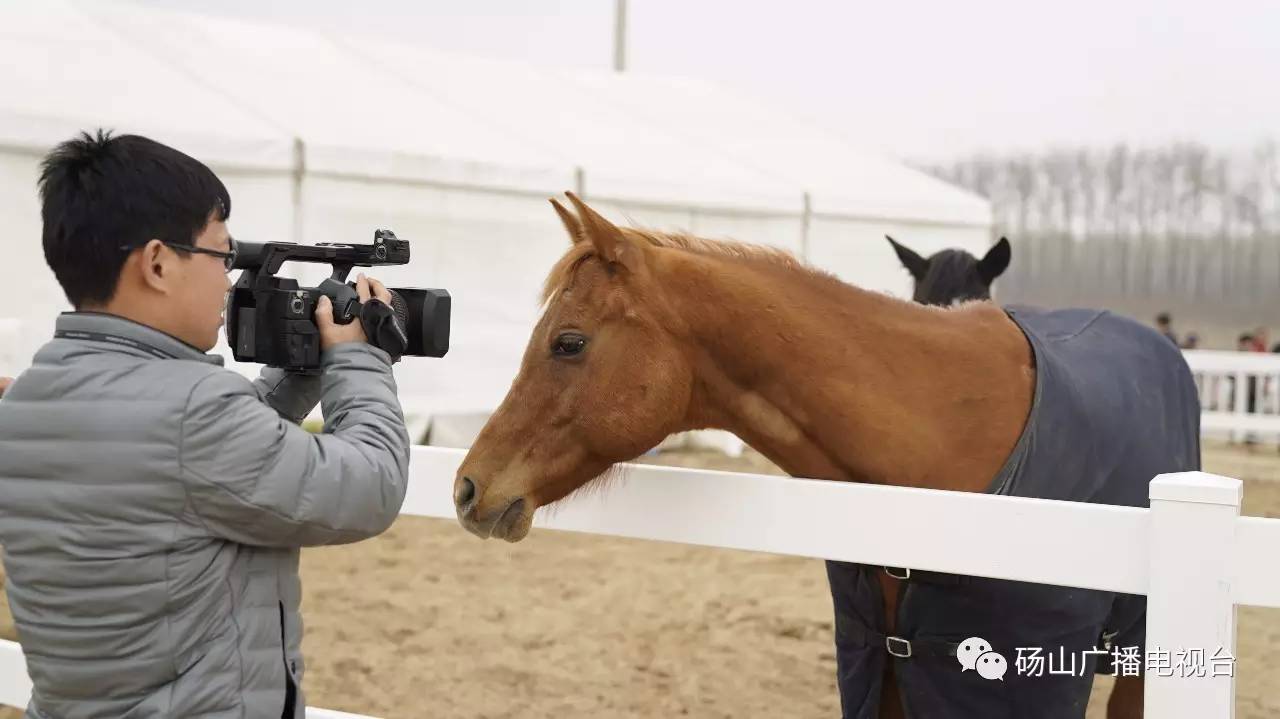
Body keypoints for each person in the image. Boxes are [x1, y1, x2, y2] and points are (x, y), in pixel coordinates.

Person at [0, 131, 411, 719]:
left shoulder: (31, 398)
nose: (228, 279)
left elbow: (182, 466)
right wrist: (358, 358)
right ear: (158, 263)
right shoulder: (194, 413)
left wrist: (298, 374)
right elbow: (370, 485)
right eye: (223, 255)